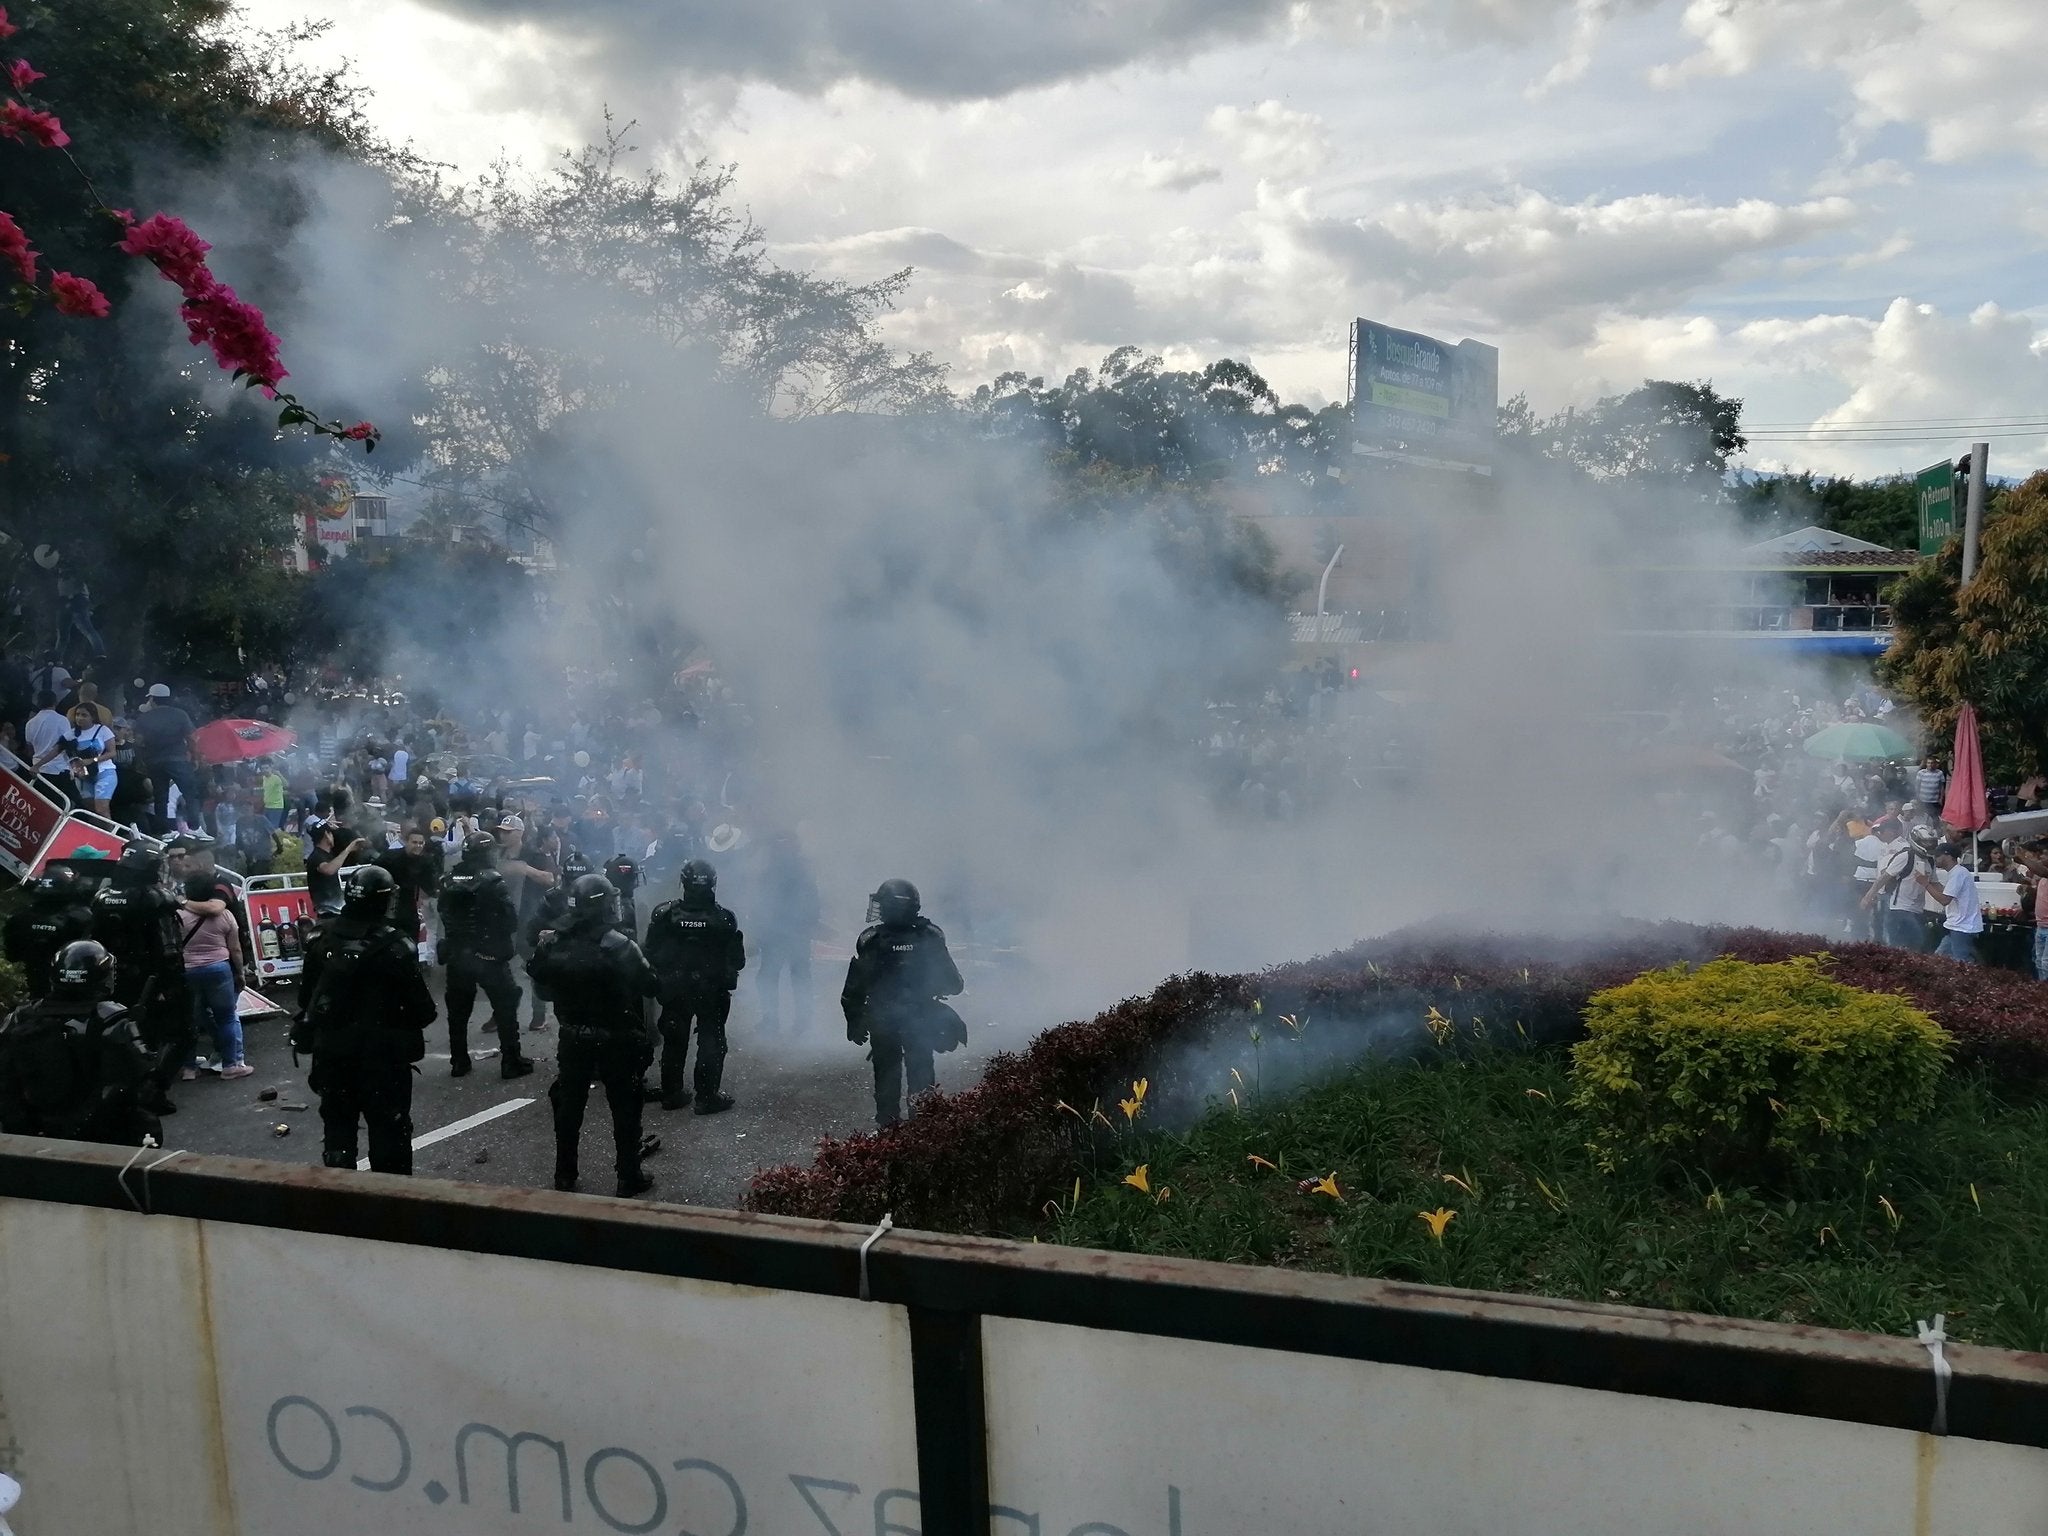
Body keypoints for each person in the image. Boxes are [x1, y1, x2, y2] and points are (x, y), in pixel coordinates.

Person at [295, 865, 436, 1173]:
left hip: (331, 1055)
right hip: (382, 1061)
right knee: (390, 1140)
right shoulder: (396, 946)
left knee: (337, 1136)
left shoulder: (321, 936)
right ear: (384, 900)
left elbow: (306, 999)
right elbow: (423, 1010)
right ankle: (389, 1212)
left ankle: (343, 1208)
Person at [529, 873, 659, 1197]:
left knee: (569, 1107)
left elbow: (541, 986)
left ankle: (564, 1174)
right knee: (625, 1106)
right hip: (617, 1036)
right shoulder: (619, 945)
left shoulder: (553, 942)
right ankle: (629, 1176)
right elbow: (651, 984)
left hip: (573, 1037)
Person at [0, 940, 158, 1146]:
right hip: (97, 1136)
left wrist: (21, 1123)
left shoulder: (21, 1017)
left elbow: (5, 1077)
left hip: (30, 1132)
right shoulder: (111, 1019)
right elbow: (133, 1081)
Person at [840, 879, 965, 1129]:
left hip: (882, 1020)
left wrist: (854, 1020)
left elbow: (853, 988)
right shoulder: (930, 936)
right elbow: (955, 984)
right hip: (921, 1018)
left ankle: (889, 1133)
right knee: (921, 1073)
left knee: (886, 1076)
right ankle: (924, 1130)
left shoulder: (872, 939)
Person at [91, 843, 191, 1117]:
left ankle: (125, 1090)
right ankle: (150, 1089)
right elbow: (168, 946)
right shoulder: (154, 898)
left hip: (115, 977)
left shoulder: (103, 896)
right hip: (153, 977)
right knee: (178, 1034)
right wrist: (173, 981)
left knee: (124, 1033)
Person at [643, 858, 744, 1114]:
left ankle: (672, 1093)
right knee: (711, 1041)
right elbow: (738, 960)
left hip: (676, 988)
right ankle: (706, 1097)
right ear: (713, 883)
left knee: (675, 1040)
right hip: (711, 990)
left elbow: (650, 953)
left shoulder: (664, 915)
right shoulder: (723, 918)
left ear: (683, 882)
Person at [437, 832, 534, 1079]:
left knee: (458, 1011)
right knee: (506, 1004)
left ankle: (459, 1061)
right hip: (488, 954)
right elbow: (510, 920)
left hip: (458, 954)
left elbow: (444, 915)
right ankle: (511, 1060)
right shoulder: (492, 881)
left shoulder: (448, 879)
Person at [176, 871, 250, 1079]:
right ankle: (231, 1065)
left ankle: (189, 1068)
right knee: (226, 1017)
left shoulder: (178, 916)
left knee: (189, 1019)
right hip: (219, 969)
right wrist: (240, 973)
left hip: (188, 970)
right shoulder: (225, 915)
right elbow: (235, 949)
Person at [754, 830, 820, 1036]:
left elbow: (811, 901)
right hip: (776, 932)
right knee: (771, 976)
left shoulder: (799, 870)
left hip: (793, 931)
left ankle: (799, 1021)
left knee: (795, 976)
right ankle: (773, 1020)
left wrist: (807, 924)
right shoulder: (772, 870)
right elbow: (762, 900)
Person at [4, 865, 97, 998]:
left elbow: (12, 955)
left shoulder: (20, 916)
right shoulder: (81, 917)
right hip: (71, 988)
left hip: (33, 984)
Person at [133, 683, 200, 832]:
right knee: (189, 792)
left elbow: (138, 741)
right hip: (178, 759)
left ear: (152, 699)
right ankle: (194, 825)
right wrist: (195, 757)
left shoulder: (144, 718)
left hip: (154, 761)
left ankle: (162, 830)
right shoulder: (180, 714)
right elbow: (191, 738)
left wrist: (142, 760)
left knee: (160, 796)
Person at [32, 702, 114, 815]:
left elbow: (112, 752)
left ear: (93, 717)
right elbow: (55, 751)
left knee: (101, 808)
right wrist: (38, 765)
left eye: (84, 715)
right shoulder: (70, 734)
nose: (80, 718)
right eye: (78, 714)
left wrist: (93, 760)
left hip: (104, 772)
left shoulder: (103, 730)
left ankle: (109, 831)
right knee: (89, 807)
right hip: (85, 776)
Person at [1916, 842, 1984, 963]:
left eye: (1938, 855)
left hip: (1962, 927)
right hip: (1956, 926)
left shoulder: (1958, 874)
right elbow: (1946, 893)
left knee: (1961, 962)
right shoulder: (1957, 873)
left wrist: (1925, 883)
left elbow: (1944, 900)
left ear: (1948, 856)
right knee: (1938, 958)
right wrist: (1931, 882)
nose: (1935, 859)